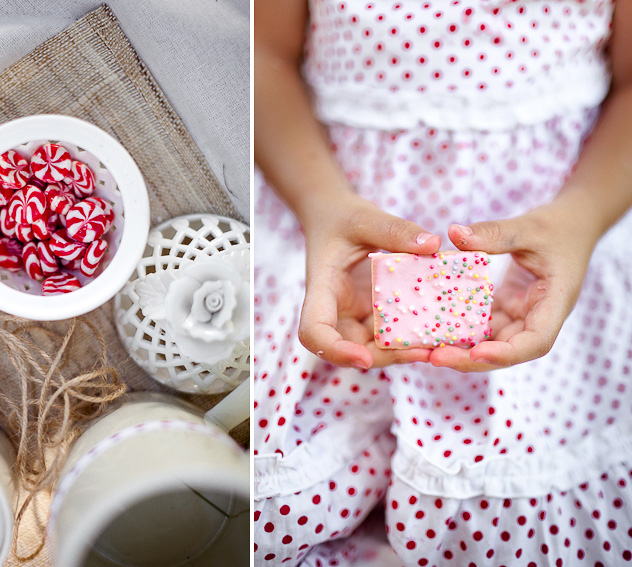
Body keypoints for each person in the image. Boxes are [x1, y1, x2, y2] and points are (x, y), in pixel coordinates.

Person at [253, 0, 632, 565]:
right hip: (329, 225)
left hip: (558, 244)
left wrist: (579, 221)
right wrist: (321, 204)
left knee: (505, 521)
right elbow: (264, 57)